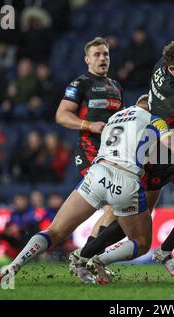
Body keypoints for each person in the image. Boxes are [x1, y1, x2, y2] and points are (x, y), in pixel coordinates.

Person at [70, 40, 174, 283]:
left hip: (172, 141)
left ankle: (165, 251)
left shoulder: (166, 61)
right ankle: (84, 255)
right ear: (173, 70)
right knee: (136, 216)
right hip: (159, 147)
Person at [0, 95, 174, 286]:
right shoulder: (154, 119)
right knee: (142, 242)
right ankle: (98, 259)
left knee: (55, 230)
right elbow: (171, 145)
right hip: (124, 179)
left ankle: (12, 267)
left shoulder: (116, 117)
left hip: (97, 174)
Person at [55, 37, 124, 271]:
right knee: (111, 207)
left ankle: (87, 257)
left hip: (111, 155)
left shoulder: (116, 86)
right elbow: (62, 115)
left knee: (114, 210)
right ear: (87, 59)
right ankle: (87, 258)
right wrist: (89, 125)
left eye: (105, 54)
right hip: (88, 152)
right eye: (97, 55)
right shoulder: (80, 84)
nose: (102, 58)